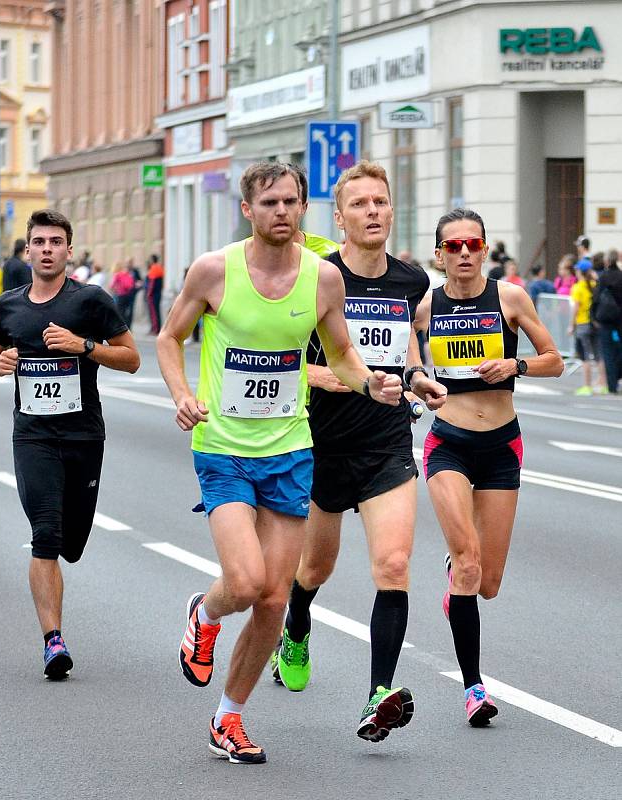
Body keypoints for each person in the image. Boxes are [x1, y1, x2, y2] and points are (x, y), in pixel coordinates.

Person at [156, 161, 404, 765]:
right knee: (243, 583)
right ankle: (205, 610)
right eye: (270, 203)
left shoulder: (322, 279)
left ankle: (229, 718)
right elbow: (169, 338)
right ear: (248, 210)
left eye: (292, 202)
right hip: (224, 449)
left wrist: (371, 383)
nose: (283, 212)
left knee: (273, 599)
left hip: (290, 450)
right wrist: (183, 395)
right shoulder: (215, 271)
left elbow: (342, 352)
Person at [272, 161, 447, 742]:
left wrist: (418, 377)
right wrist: (352, 379)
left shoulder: (410, 281)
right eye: (360, 204)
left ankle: (378, 694)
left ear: (392, 212)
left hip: (388, 443)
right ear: (340, 218)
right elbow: (291, 362)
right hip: (322, 445)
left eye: (381, 202)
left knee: (394, 566)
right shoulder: (316, 278)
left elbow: (410, 346)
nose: (373, 212)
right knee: (315, 568)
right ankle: (294, 630)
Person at [414, 208, 563, 727]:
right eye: (452, 246)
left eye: (472, 244)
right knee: (470, 562)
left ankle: (459, 579)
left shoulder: (510, 298)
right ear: (439, 254)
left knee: (487, 582)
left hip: (503, 445)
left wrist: (515, 365)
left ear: (484, 249)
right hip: (448, 443)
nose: (463, 253)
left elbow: (555, 359)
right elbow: (402, 348)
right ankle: (474, 687)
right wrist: (416, 377)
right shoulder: (427, 305)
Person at [0, 209, 140, 680]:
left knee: (72, 541)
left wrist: (84, 346)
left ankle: (63, 557)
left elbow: (131, 358)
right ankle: (54, 641)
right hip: (32, 436)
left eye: (56, 242)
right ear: (27, 250)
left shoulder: (91, 301)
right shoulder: (8, 306)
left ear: (69, 251)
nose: (47, 249)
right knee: (45, 536)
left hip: (83, 435)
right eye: (39, 242)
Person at [569, 265, 607, 395]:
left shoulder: (578, 287)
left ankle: (587, 386)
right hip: (594, 323)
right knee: (598, 355)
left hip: (582, 323)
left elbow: (575, 308)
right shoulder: (594, 284)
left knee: (584, 356)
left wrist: (571, 325)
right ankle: (604, 384)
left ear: (580, 272)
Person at [591, 251, 622, 394]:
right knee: (619, 350)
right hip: (619, 318)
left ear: (607, 261)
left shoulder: (603, 277)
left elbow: (596, 298)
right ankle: (618, 375)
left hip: (605, 319)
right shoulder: (620, 276)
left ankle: (612, 384)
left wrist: (594, 317)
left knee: (607, 351)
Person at [146, 254, 164, 334]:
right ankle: (157, 328)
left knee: (153, 312)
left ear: (152, 260)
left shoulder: (154, 268)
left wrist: (149, 294)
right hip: (158, 293)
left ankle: (155, 329)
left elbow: (152, 283)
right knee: (157, 311)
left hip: (153, 295)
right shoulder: (160, 268)